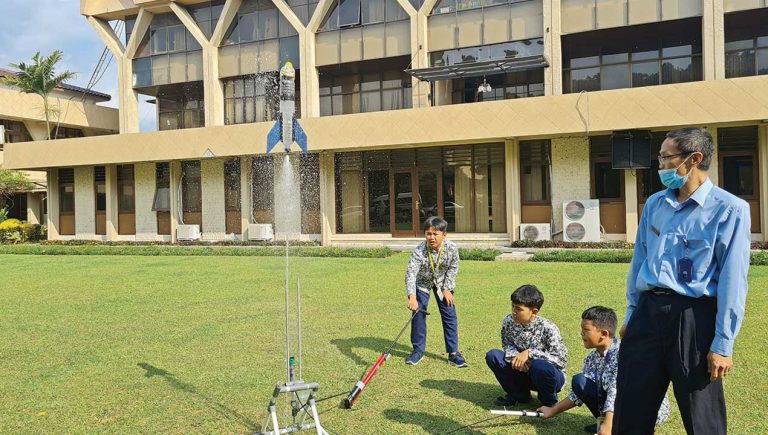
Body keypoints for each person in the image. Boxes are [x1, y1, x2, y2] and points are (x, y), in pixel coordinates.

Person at [613, 127, 750, 434]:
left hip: (694, 318)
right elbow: (640, 262)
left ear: (693, 159)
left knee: (702, 416)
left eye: (665, 158)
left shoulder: (730, 210)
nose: (660, 166)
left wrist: (723, 344)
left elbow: (733, 280)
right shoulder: (655, 205)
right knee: (630, 410)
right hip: (647, 314)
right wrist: (632, 314)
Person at [537, 306, 670, 434]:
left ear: (604, 334)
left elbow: (615, 391)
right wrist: (553, 410)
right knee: (580, 381)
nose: (581, 333)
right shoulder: (592, 357)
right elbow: (578, 393)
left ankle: (616, 426)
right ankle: (612, 424)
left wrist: (607, 424)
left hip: (646, 409)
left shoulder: (623, 354)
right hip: (621, 406)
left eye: (586, 329)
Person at [485, 285, 568, 407]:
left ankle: (548, 402)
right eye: (512, 306)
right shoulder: (508, 321)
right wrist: (515, 358)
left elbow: (561, 361)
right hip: (521, 371)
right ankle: (519, 394)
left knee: (540, 366)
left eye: (518, 309)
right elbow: (507, 344)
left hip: (547, 376)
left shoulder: (549, 328)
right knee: (493, 356)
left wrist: (530, 354)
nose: (513, 311)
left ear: (534, 312)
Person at [404, 216, 466, 367]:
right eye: (428, 234)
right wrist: (412, 297)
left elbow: (453, 267)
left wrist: (447, 288)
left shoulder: (452, 248)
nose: (431, 237)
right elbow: (411, 273)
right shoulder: (419, 250)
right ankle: (418, 351)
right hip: (422, 283)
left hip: (442, 283)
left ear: (444, 234)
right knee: (419, 314)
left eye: (435, 234)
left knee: (450, 314)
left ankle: (453, 353)